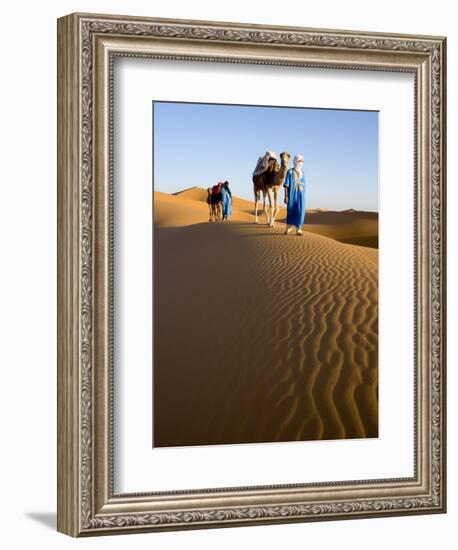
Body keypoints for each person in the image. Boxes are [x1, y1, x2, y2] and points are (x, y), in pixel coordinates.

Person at [283, 154, 306, 236]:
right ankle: (288, 228)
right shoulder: (290, 172)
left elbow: (304, 184)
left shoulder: (302, 173)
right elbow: (286, 185)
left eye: (302, 161)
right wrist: (286, 196)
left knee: (301, 211)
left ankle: (298, 229)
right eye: (299, 161)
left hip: (301, 195)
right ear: (295, 161)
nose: (301, 163)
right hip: (292, 194)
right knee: (291, 210)